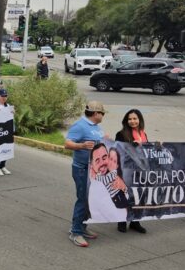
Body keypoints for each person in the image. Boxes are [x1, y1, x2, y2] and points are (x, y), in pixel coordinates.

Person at [64, 101, 106, 248]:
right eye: (102, 113)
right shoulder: (80, 125)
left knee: (90, 200)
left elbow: (105, 140)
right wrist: (81, 145)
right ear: (96, 113)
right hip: (81, 169)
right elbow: (67, 144)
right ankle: (75, 232)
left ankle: (82, 227)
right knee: (82, 199)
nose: (103, 116)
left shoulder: (96, 127)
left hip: (94, 169)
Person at [113, 109, 149, 233]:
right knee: (125, 195)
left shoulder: (143, 134)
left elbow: (146, 152)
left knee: (138, 196)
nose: (132, 121)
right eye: (130, 119)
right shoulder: (121, 134)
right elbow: (118, 152)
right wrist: (132, 146)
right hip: (126, 170)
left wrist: (157, 146)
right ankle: (122, 221)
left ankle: (135, 222)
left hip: (140, 171)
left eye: (135, 118)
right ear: (126, 121)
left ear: (140, 120)